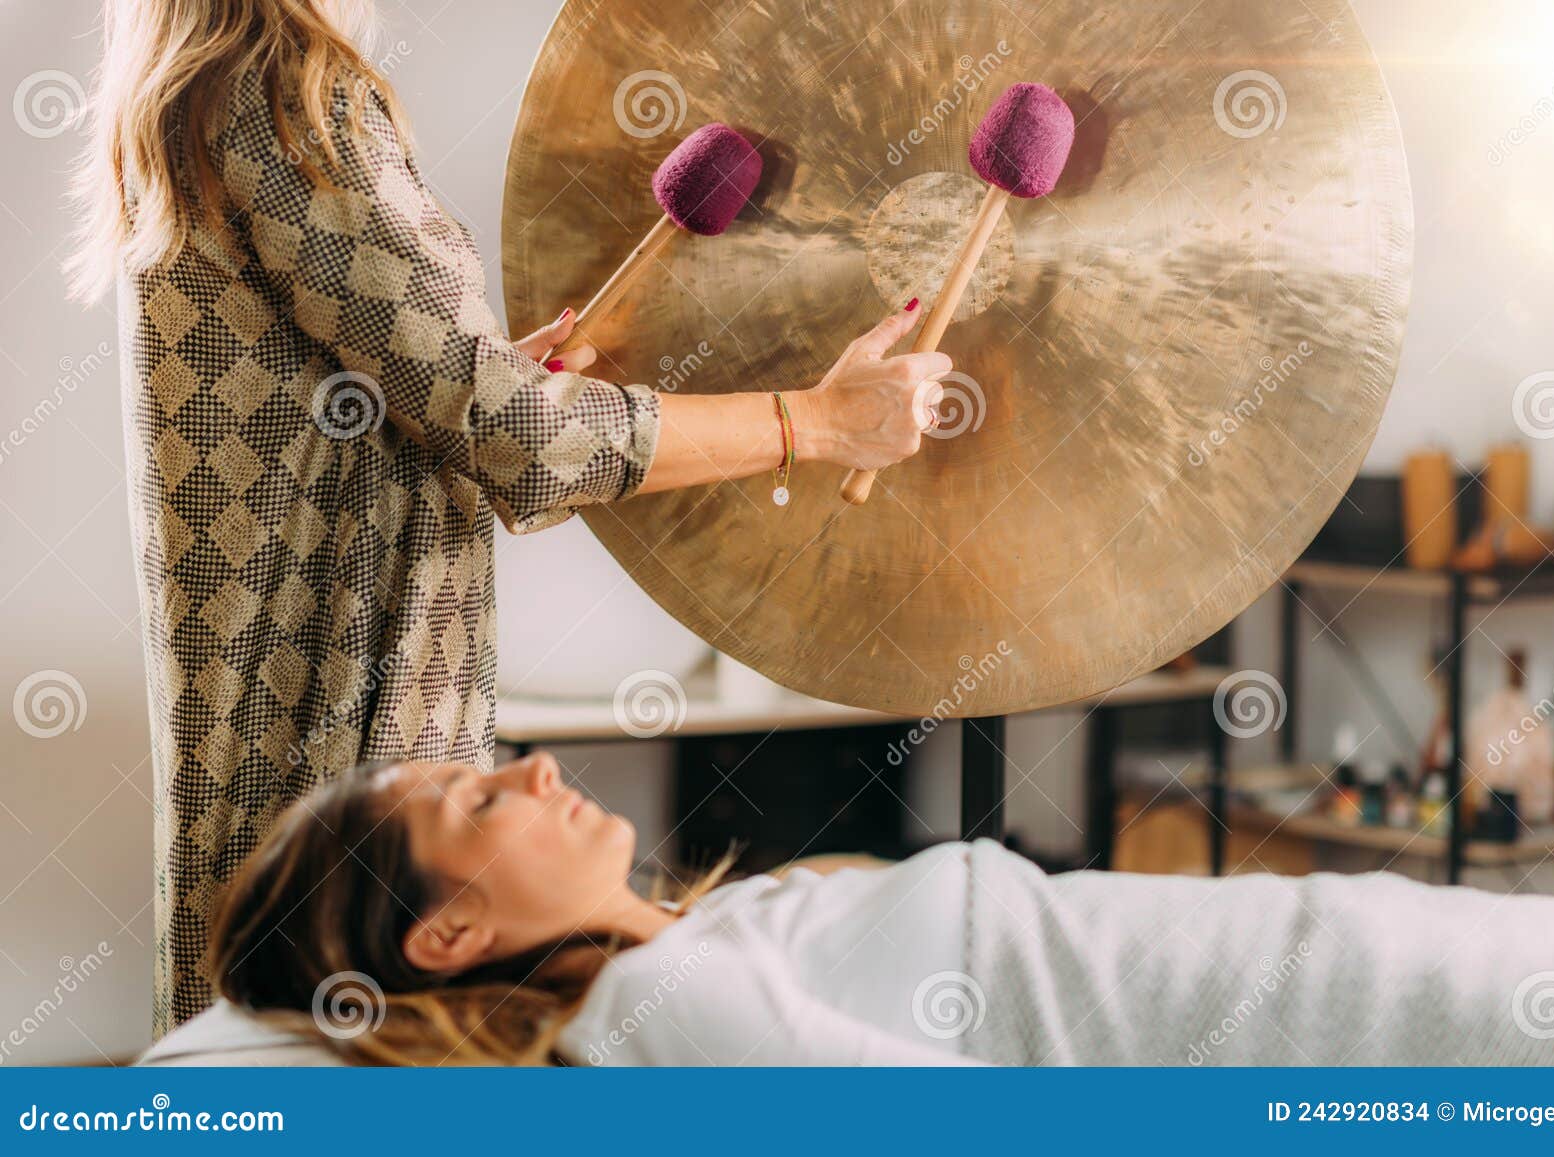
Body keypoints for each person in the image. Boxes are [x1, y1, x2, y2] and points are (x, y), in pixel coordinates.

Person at [65, 0, 951, 1033]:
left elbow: (364, 407)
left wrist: (497, 381)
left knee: (270, 1036)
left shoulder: (200, 79)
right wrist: (816, 419)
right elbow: (519, 442)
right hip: (345, 707)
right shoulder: (279, 82)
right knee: (350, 1045)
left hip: (272, 692)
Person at [196, 753, 1554, 1066]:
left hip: (1333, 949)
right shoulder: (662, 1006)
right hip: (1354, 1015)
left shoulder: (695, 949)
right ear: (447, 936)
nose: (537, 766)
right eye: (483, 799)